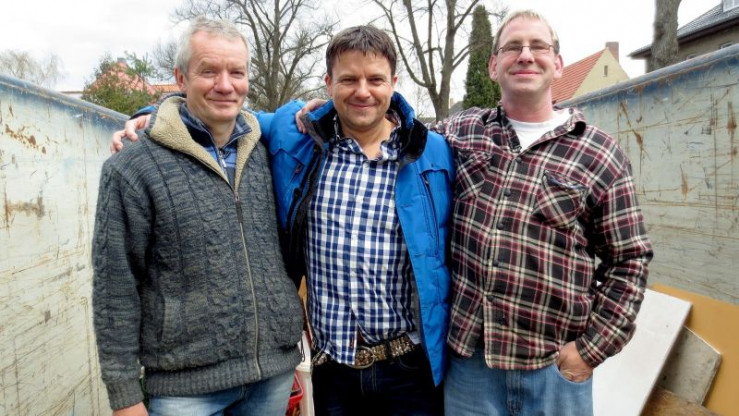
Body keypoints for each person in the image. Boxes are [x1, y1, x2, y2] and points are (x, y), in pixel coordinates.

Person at [110, 25, 453, 416]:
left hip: (409, 369)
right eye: (348, 79)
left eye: (375, 79)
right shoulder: (298, 137)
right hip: (333, 370)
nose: (362, 91)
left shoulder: (433, 153)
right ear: (329, 84)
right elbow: (222, 110)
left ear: (393, 83)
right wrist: (152, 115)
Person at [428, 9, 653, 416]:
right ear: (493, 66)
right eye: (512, 47)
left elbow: (629, 259)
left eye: (538, 46)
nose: (526, 55)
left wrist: (591, 349)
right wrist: (320, 112)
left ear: (558, 63)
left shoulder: (599, 153)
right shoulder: (461, 132)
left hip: (554, 372)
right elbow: (391, 130)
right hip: (471, 370)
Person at [92, 17, 304, 416]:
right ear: (181, 77)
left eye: (236, 72)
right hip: (185, 390)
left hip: (271, 376)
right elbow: (114, 286)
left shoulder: (268, 153)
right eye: (209, 71)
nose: (225, 85)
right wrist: (125, 396)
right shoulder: (133, 167)